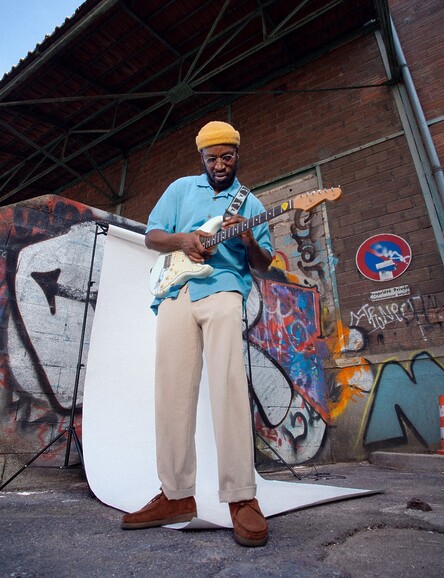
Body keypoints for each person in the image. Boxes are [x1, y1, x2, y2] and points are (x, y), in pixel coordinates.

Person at [121, 120, 274, 547]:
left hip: (223, 289)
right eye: (212, 158)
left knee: (228, 387)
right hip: (177, 293)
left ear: (237, 155)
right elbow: (152, 237)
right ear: (201, 157)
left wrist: (248, 240)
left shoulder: (250, 203)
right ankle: (176, 495)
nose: (220, 164)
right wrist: (184, 240)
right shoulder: (180, 189)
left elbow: (263, 264)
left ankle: (241, 496)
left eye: (227, 157)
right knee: (171, 393)